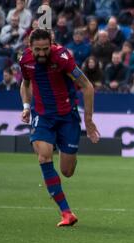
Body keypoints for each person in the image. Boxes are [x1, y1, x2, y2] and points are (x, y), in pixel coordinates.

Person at [19, 29, 100, 227]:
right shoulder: (25, 61)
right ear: (31, 47)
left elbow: (87, 86)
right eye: (37, 50)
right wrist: (26, 107)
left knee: (67, 171)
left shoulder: (62, 57)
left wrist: (88, 121)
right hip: (43, 116)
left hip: (67, 117)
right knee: (44, 156)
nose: (41, 54)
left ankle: (68, 154)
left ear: (51, 45)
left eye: (45, 49)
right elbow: (25, 83)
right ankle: (66, 212)